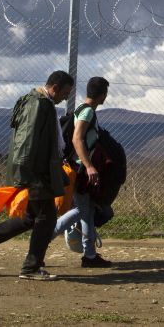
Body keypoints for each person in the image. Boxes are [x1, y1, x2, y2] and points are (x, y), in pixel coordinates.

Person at [0, 70, 74, 280]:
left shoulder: (38, 102)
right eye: (65, 93)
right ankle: (31, 268)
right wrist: (27, 173)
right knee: (46, 218)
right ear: (55, 88)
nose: (66, 98)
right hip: (38, 172)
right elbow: (27, 140)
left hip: (39, 169)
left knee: (30, 218)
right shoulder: (39, 104)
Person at [59, 76, 113, 268]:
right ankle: (43, 237)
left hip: (80, 167)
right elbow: (77, 138)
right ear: (103, 95)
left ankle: (89, 255)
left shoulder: (83, 109)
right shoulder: (88, 111)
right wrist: (89, 166)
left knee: (87, 210)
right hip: (81, 169)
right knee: (82, 210)